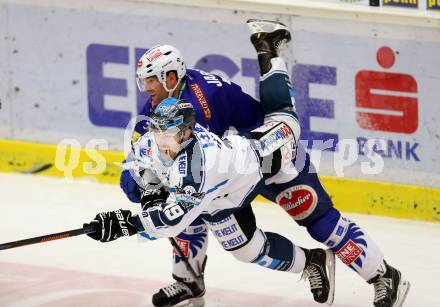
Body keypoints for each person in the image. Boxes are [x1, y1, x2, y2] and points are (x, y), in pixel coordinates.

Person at [119, 20, 410, 307]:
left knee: (317, 219)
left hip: (271, 156)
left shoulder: (203, 101)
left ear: (171, 78)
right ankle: (191, 280)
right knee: (236, 244)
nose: (145, 88)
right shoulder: (161, 106)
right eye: (143, 81)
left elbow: (189, 178)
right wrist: (142, 186)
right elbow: (137, 161)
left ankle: (383, 275)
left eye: (150, 80)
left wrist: (146, 206)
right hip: (229, 178)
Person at [85, 40, 338, 305]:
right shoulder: (160, 135)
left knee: (285, 119)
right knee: (231, 243)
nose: (160, 140)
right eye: (157, 130)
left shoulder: (199, 165)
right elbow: (139, 167)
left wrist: (126, 225)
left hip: (247, 171)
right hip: (216, 189)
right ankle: (191, 280)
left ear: (186, 133)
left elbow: (174, 218)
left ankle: (269, 50)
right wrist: (147, 192)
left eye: (168, 134)